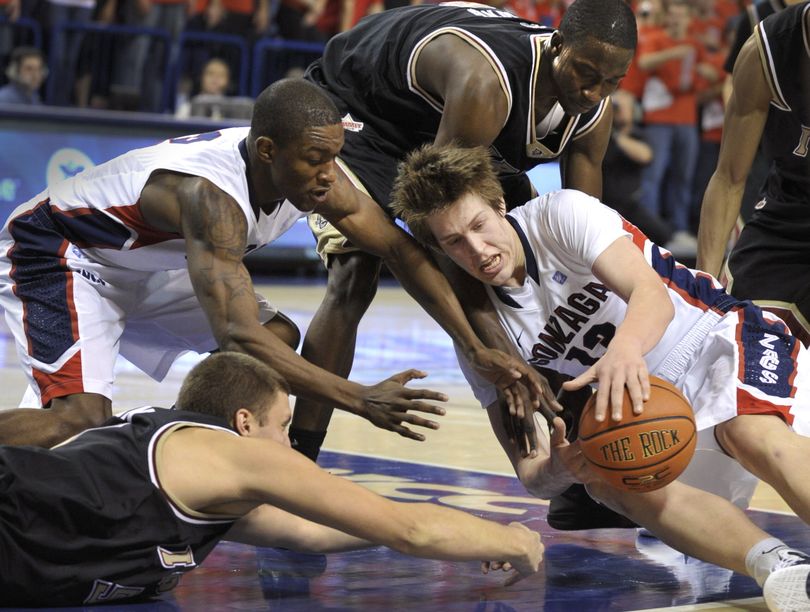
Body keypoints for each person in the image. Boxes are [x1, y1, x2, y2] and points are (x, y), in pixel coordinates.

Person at [0, 77, 537, 448]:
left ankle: (192, 452)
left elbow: (398, 248)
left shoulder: (313, 173)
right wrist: (359, 397)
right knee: (77, 422)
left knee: (276, 338)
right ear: (266, 152)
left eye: (333, 156)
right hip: (61, 254)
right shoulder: (211, 199)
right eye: (315, 159)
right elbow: (235, 335)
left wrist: (473, 343)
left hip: (143, 263)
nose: (330, 174)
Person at [390, 142, 810, 611]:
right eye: (454, 242)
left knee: (746, 428)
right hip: (655, 408)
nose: (477, 250)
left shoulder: (559, 215)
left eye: (479, 226)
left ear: (499, 206)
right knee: (606, 479)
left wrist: (625, 349)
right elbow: (530, 472)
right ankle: (784, 567)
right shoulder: (480, 340)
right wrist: (560, 469)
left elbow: (650, 294)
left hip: (718, 340)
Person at [291, 0, 638, 462]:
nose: (595, 92)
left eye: (612, 81)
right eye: (586, 74)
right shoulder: (486, 85)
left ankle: (576, 443)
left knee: (528, 259)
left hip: (447, 131)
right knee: (356, 275)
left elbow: (582, 244)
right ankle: (300, 452)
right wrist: (495, 354)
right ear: (558, 46)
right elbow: (440, 232)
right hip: (365, 113)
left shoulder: (592, 110)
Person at [0, 351, 543, 606]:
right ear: (244, 423)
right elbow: (410, 530)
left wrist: (476, 532)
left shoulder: (187, 465)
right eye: (283, 426)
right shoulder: (235, 454)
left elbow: (319, 529)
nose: (289, 444)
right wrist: (515, 540)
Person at [697, 2, 810, 348]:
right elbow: (728, 177)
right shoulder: (766, 49)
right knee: (727, 342)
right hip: (788, 212)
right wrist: (700, 287)